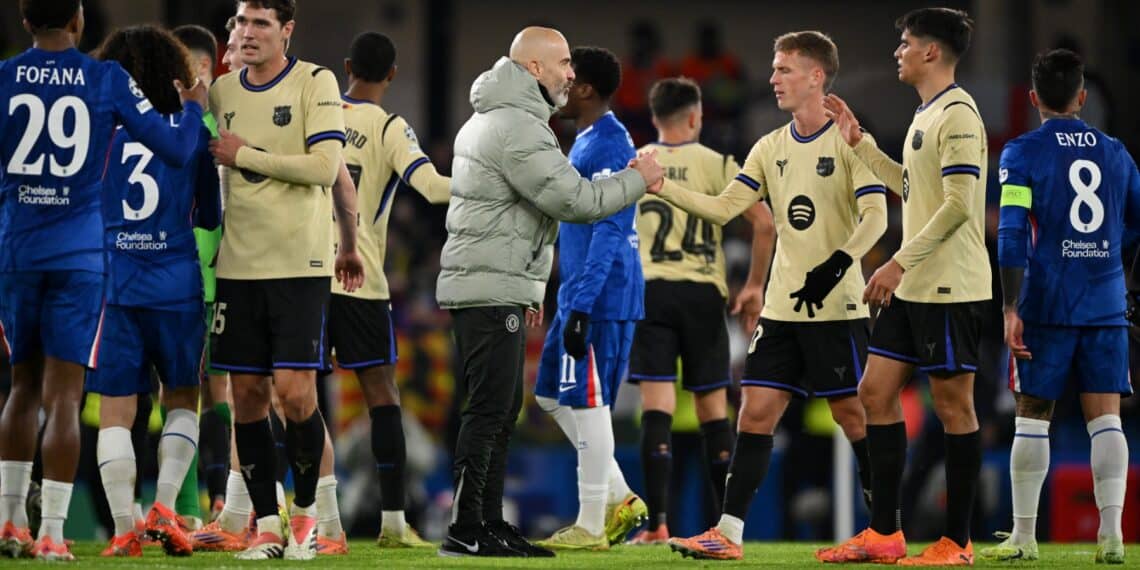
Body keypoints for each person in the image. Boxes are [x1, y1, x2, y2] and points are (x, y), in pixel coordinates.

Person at [646, 32, 886, 560]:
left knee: (853, 417)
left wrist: (839, 263)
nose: (772, 79)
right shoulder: (768, 146)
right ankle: (728, 532)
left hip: (838, 308)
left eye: (784, 69)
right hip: (781, 310)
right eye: (775, 69)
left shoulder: (850, 141)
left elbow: (877, 216)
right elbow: (724, 206)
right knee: (754, 413)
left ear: (816, 76)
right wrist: (663, 187)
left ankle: (885, 527)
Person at [436, 26, 663, 557]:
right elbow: (572, 201)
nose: (569, 72)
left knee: (503, 405)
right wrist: (639, 180)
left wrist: (532, 285)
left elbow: (520, 212)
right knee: (493, 408)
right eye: (562, 62)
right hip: (491, 283)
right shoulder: (518, 125)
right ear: (533, 69)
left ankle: (487, 524)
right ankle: (468, 526)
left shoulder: (498, 117)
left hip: (496, 280)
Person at [0, 0, 207, 561]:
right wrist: (193, 108)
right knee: (94, 397)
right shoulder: (107, 85)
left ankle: (47, 522)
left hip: (55, 263)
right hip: (121, 269)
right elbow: (193, 179)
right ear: (78, 18)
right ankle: (90, 525)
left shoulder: (16, 83)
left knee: (44, 392)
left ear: (24, 19)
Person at [818, 7, 988, 566]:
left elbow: (961, 207)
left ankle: (958, 543)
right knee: (875, 394)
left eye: (906, 43)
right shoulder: (926, 113)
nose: (898, 52)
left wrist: (895, 262)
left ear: (931, 52)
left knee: (952, 406)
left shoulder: (959, 114)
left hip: (949, 287)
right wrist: (859, 143)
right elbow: (911, 188)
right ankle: (885, 534)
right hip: (915, 285)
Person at [206, 0, 363, 560]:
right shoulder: (222, 91)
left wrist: (247, 154)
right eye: (241, 23)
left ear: (286, 31)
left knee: (295, 395)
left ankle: (306, 518)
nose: (247, 33)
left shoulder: (315, 82)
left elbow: (325, 169)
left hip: (300, 263)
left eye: (260, 24)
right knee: (245, 397)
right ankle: (267, 526)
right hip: (238, 266)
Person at [981, 49, 1134, 565]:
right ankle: (1111, 535)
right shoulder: (1116, 153)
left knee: (1032, 416)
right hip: (1105, 303)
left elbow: (1010, 231)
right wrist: (1112, 259)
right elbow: (1136, 221)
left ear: (1032, 99)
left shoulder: (1021, 153)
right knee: (1105, 419)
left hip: (1045, 302)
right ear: (1082, 98)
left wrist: (1009, 305)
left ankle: (1024, 536)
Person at [88, 25, 222, 558]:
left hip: (117, 286)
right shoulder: (190, 135)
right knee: (183, 399)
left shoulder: (101, 134)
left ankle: (125, 528)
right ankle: (166, 507)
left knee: (117, 411)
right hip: (177, 289)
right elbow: (209, 216)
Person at [625, 76, 774, 545]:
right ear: (695, 117)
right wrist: (754, 285)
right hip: (703, 294)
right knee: (713, 409)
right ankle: (724, 528)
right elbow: (765, 223)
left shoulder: (637, 163)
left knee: (657, 407)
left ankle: (657, 525)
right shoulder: (717, 162)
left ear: (654, 118)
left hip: (650, 291)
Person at [327, 30, 449, 550]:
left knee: (292, 395)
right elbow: (432, 187)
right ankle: (395, 525)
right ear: (393, 75)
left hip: (304, 273)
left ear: (348, 65)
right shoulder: (390, 127)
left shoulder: (321, 112)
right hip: (361, 279)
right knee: (382, 397)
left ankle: (308, 519)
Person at [531, 45, 647, 551]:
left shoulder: (610, 144)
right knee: (550, 397)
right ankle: (619, 496)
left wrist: (580, 303)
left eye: (567, 74)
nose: (559, 82)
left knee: (589, 400)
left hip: (600, 296)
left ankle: (592, 525)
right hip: (578, 293)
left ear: (585, 88)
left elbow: (610, 230)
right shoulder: (585, 141)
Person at [172, 23, 231, 526]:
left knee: (211, 390)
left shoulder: (224, 134)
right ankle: (195, 507)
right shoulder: (166, 128)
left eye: (197, 70)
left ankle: (213, 503)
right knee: (192, 392)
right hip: (183, 281)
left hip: (210, 280)